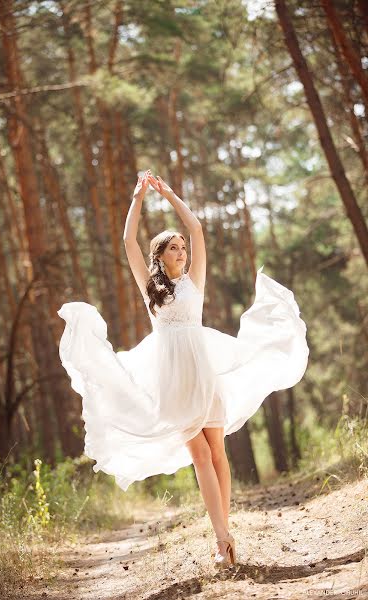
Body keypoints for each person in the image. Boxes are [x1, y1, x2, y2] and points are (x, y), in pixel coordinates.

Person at [57, 170, 309, 569]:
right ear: (160, 256)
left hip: (204, 370)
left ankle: (224, 531)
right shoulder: (150, 288)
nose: (181, 251)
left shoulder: (196, 281)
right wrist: (138, 197)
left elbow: (195, 227)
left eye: (181, 248)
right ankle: (221, 538)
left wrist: (169, 192)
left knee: (219, 453)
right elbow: (128, 241)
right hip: (174, 378)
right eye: (173, 248)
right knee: (200, 455)